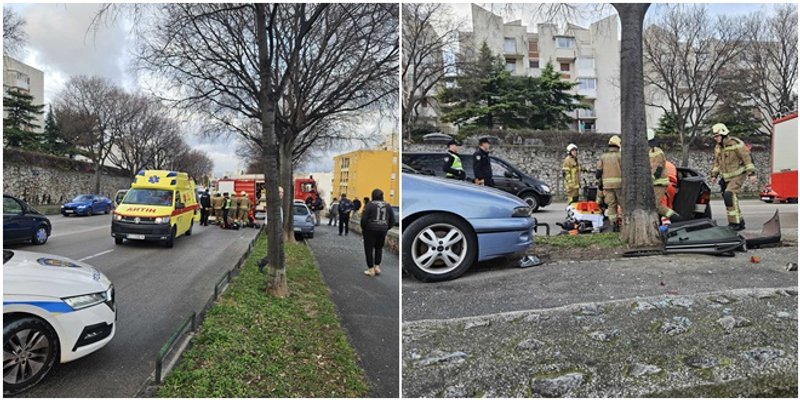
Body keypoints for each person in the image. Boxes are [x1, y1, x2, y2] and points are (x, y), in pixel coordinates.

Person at [710, 123, 756, 231]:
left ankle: (734, 223)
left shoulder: (737, 144)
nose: (715, 138)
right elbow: (717, 163)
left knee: (729, 195)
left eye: (717, 136)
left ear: (723, 134)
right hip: (726, 178)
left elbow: (747, 159)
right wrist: (714, 175)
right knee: (730, 198)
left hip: (738, 175)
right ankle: (740, 222)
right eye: (714, 137)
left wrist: (752, 174)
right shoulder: (718, 147)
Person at [361, 189, 396, 277]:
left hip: (370, 229)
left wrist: (365, 229)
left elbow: (364, 219)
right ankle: (377, 267)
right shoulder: (388, 205)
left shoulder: (370, 205)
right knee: (379, 248)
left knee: (369, 249)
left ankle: (371, 269)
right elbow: (393, 220)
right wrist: (386, 228)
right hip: (382, 229)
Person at [648, 130, 679, 222]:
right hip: (661, 183)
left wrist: (651, 178)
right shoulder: (653, 152)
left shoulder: (656, 153)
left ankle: (678, 219)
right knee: (661, 206)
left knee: (658, 206)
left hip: (659, 183)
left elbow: (657, 170)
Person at [596, 135, 622, 232]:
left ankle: (614, 225)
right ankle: (625, 223)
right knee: (623, 205)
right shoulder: (621, 156)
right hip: (620, 186)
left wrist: (600, 184)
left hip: (607, 187)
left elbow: (598, 173)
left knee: (611, 206)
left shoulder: (603, 157)